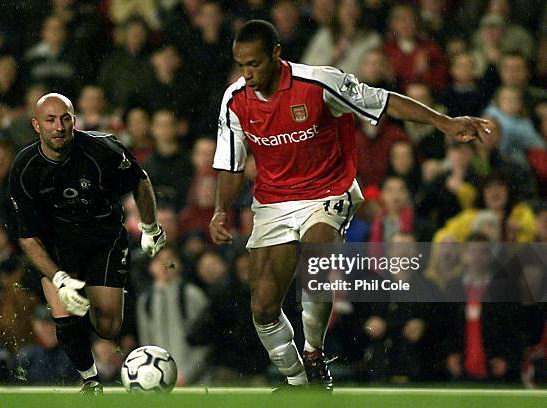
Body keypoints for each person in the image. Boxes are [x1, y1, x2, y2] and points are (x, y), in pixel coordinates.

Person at [209, 20, 490, 391]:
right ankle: (297, 383)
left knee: (316, 259)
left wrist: (444, 122)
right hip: (274, 201)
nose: (248, 74)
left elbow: (384, 100)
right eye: (241, 65)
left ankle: (313, 353)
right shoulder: (235, 100)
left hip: (328, 191)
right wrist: (219, 210)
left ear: (277, 54)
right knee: (262, 307)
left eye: (255, 64)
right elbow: (231, 164)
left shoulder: (319, 82)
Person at [8, 93, 166, 394]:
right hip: (58, 246)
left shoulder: (102, 149)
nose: (59, 126)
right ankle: (91, 381)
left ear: (74, 121)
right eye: (50, 120)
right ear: (36, 126)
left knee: (108, 328)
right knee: (62, 312)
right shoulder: (25, 168)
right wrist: (59, 278)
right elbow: (28, 237)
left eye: (65, 118)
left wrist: (150, 227)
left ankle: (84, 306)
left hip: (104, 240)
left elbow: (139, 180)